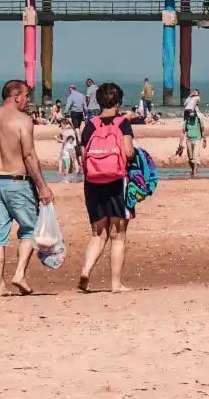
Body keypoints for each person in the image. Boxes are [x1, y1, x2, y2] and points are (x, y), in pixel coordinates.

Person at [0, 79, 56, 297]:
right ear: (16, 96)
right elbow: (29, 155)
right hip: (17, 182)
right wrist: (42, 186)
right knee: (31, 228)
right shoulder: (22, 121)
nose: (27, 101)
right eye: (26, 97)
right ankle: (19, 275)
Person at [77, 81, 135, 294]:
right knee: (118, 234)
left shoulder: (90, 124)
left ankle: (86, 270)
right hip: (117, 180)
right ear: (118, 102)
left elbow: (83, 153)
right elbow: (128, 152)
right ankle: (115, 284)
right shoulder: (122, 123)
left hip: (93, 182)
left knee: (97, 233)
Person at [180, 102, 206, 177]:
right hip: (189, 140)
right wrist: (181, 143)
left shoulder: (199, 121)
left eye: (193, 116)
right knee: (190, 157)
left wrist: (204, 140)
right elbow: (183, 132)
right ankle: (193, 169)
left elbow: (203, 131)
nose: (192, 118)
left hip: (197, 139)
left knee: (195, 156)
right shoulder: (186, 121)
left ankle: (194, 171)